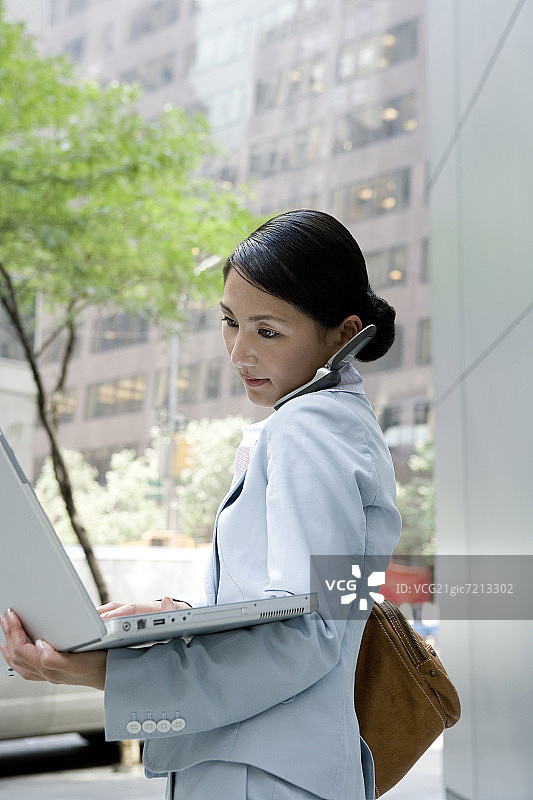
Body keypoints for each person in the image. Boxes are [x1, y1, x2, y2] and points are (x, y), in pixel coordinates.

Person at [1, 210, 402, 799]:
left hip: (265, 777)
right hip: (285, 769)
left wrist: (108, 672)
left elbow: (309, 630)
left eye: (267, 331)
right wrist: (180, 616)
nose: (239, 352)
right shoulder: (339, 427)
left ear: (342, 334)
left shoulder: (307, 431)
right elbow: (303, 607)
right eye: (229, 322)